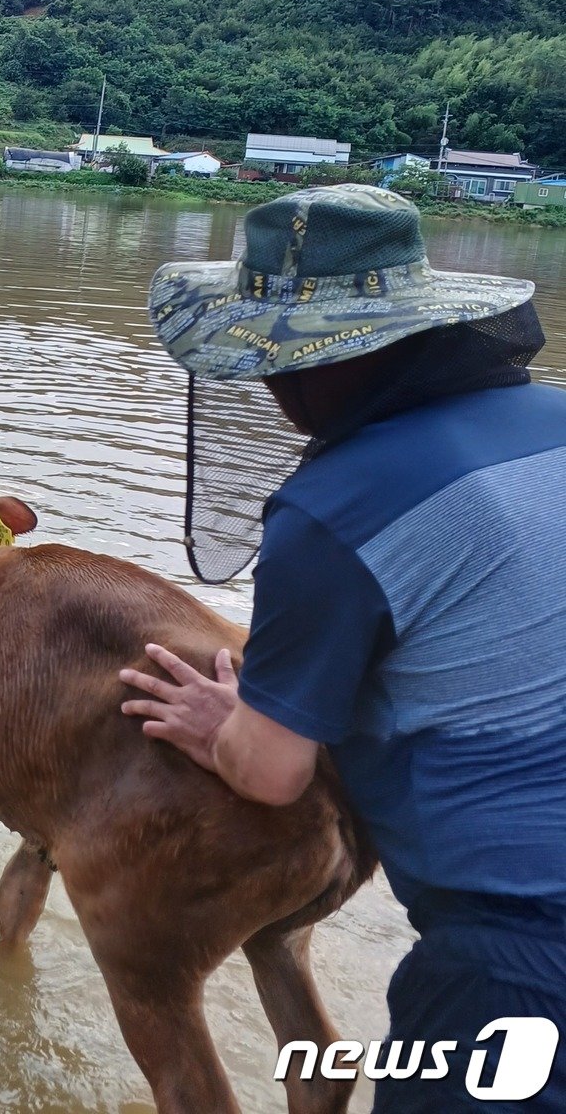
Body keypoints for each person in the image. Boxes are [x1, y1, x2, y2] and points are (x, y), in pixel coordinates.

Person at [125, 185, 566, 1109]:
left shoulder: (336, 508)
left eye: (276, 358)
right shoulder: (557, 423)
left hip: (526, 957)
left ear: (328, 363)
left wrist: (226, 724)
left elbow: (275, 772)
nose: (271, 386)